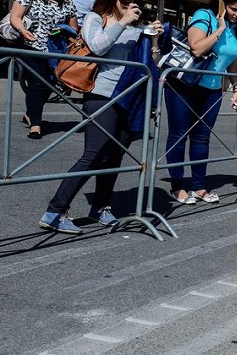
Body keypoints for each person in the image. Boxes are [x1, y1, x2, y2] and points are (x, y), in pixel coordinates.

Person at [36, 0, 162, 233]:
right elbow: (97, 48)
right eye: (125, 1)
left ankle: (101, 207)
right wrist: (122, 23)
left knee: (114, 156)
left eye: (135, 1)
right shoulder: (97, 18)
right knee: (94, 153)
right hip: (101, 94)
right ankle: (55, 211)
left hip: (130, 97)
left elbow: (150, 66)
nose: (131, 5)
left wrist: (153, 41)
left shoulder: (138, 25)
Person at [162, 0, 237, 205]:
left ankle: (199, 186)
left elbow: (231, 58)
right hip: (186, 85)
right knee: (179, 134)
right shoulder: (205, 16)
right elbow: (196, 48)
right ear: (222, 4)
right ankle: (177, 186)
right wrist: (220, 28)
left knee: (202, 138)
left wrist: (236, 87)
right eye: (233, 9)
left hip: (212, 90)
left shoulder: (234, 27)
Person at [9, 0, 78, 139]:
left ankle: (30, 113)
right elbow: (15, 17)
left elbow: (74, 28)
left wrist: (62, 29)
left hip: (56, 50)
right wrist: (22, 30)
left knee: (50, 85)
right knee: (37, 84)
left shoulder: (67, 3)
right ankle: (35, 125)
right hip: (31, 46)